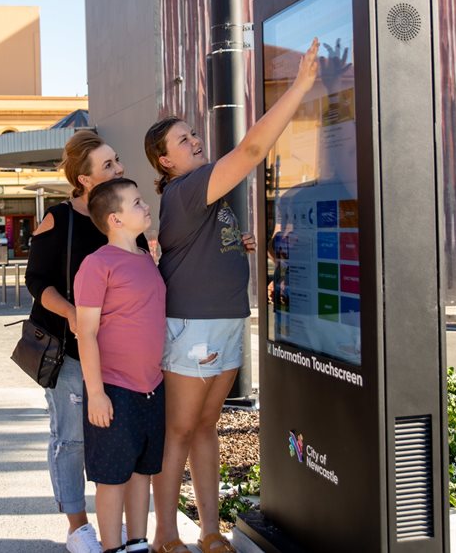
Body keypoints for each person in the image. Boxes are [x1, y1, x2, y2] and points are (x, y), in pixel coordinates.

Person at [143, 38, 320, 553]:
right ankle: (165, 535)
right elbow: (251, 150)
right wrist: (300, 88)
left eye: (193, 133)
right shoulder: (186, 189)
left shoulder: (206, 192)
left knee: (204, 429)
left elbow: (204, 246)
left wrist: (235, 247)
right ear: (163, 160)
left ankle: (210, 530)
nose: (194, 140)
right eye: (183, 139)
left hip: (225, 321)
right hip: (193, 327)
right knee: (179, 430)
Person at [25, 130, 147, 553]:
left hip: (119, 357)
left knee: (114, 438)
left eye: (117, 161)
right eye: (109, 166)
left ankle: (121, 527)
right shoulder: (59, 219)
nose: (119, 169)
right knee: (71, 438)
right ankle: (78, 527)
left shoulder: (126, 220)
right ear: (84, 180)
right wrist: (74, 315)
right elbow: (36, 282)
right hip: (69, 350)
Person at [74, 178, 166, 553]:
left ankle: (138, 542)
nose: (146, 207)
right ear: (115, 219)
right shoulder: (97, 265)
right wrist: (96, 393)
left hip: (152, 386)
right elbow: (86, 332)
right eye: (137, 202)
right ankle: (112, 546)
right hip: (113, 388)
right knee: (112, 477)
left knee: (142, 471)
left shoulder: (146, 258)